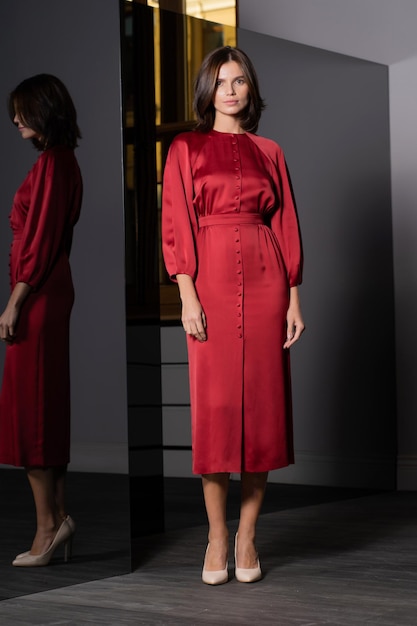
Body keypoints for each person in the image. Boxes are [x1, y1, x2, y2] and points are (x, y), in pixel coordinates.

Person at [162, 46, 304, 585]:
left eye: (240, 81)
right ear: (208, 90)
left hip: (268, 279)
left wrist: (294, 297)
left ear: (250, 89)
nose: (231, 90)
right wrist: (187, 293)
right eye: (221, 81)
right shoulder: (185, 146)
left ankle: (247, 536)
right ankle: (216, 535)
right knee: (217, 413)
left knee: (263, 412)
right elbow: (175, 220)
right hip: (210, 281)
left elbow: (287, 221)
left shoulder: (271, 150)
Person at [0, 74, 82, 567]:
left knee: (31, 411)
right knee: (42, 406)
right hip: (47, 292)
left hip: (38, 295)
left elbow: (39, 242)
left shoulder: (54, 165)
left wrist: (14, 302)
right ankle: (60, 520)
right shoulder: (59, 162)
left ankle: (48, 528)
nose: (14, 120)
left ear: (44, 110)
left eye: (22, 111)